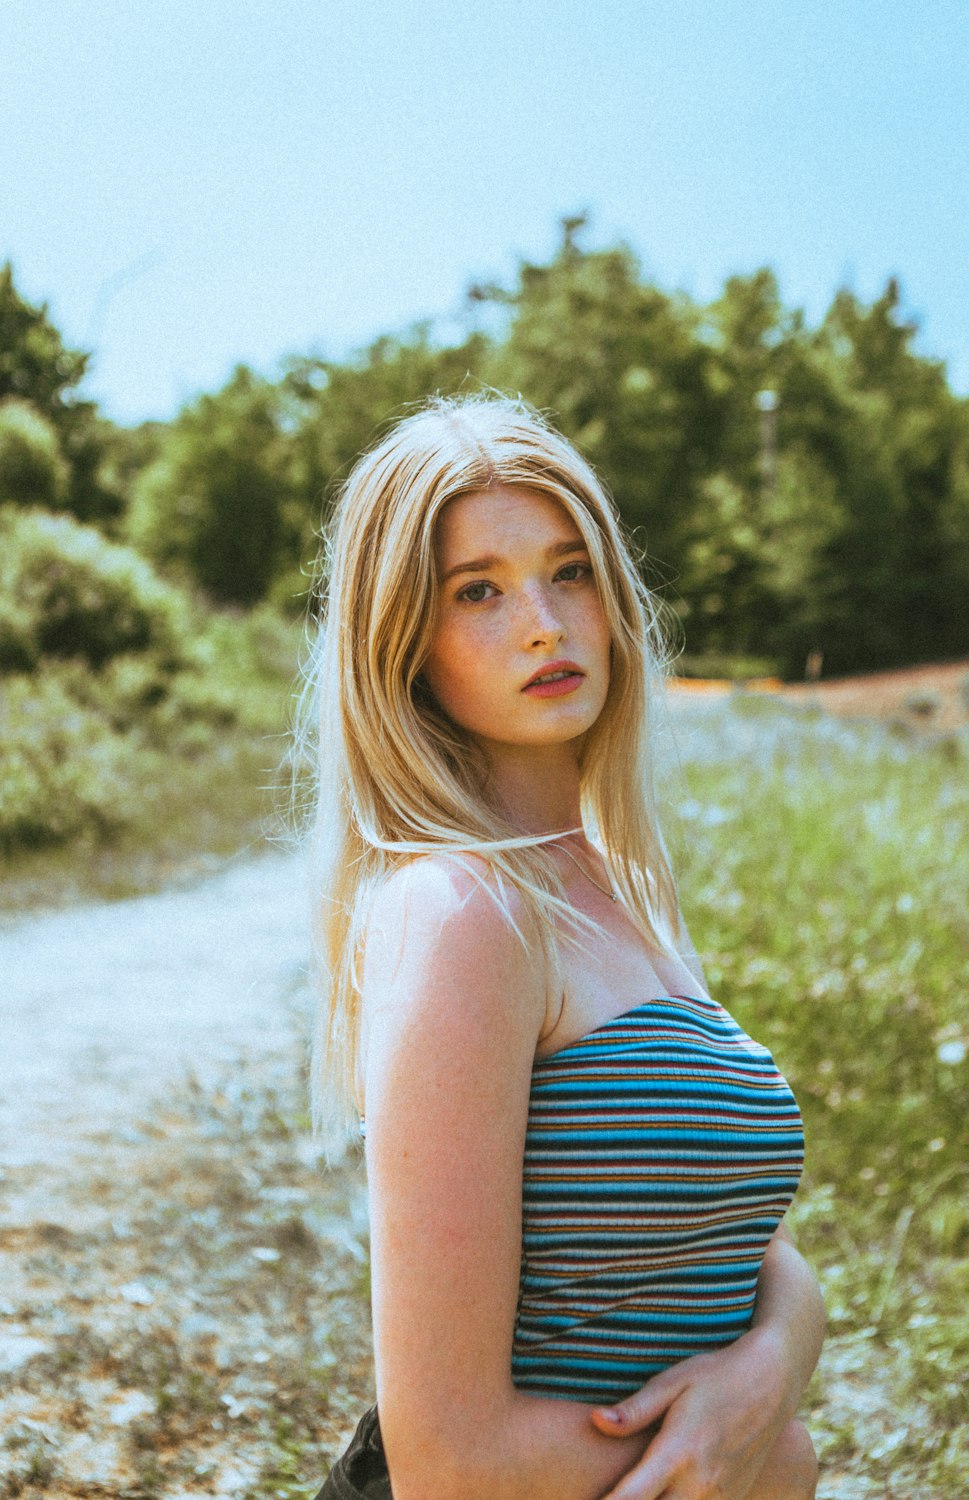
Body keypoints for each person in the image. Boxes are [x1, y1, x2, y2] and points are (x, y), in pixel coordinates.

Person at [305, 394, 824, 1500]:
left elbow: (726, 1237)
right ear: (401, 643)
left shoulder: (622, 888)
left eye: (570, 569)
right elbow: (448, 1464)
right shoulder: (461, 912)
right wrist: (752, 1449)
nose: (543, 621)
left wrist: (773, 1361)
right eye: (478, 591)